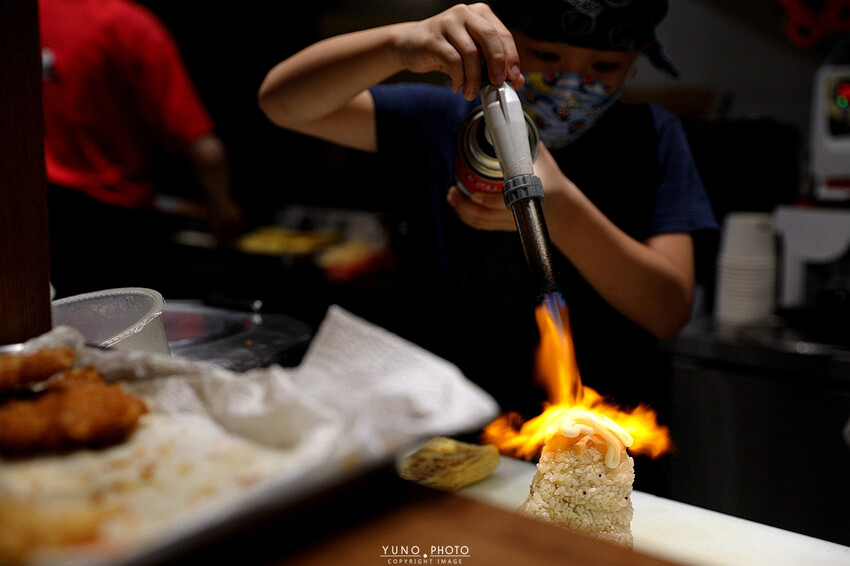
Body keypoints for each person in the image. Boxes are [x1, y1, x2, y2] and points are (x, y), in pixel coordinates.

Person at [258, 0, 717, 491]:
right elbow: (282, 102)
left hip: (604, 452)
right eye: (546, 56)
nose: (571, 84)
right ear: (501, 38)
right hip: (459, 444)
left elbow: (668, 310)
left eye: (604, 67)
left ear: (637, 59)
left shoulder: (652, 137)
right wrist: (400, 44)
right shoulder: (447, 122)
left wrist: (563, 211)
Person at [39, 0, 243, 298]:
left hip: (37, 224)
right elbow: (206, 152)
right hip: (116, 231)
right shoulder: (128, 25)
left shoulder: (22, 17)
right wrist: (223, 209)